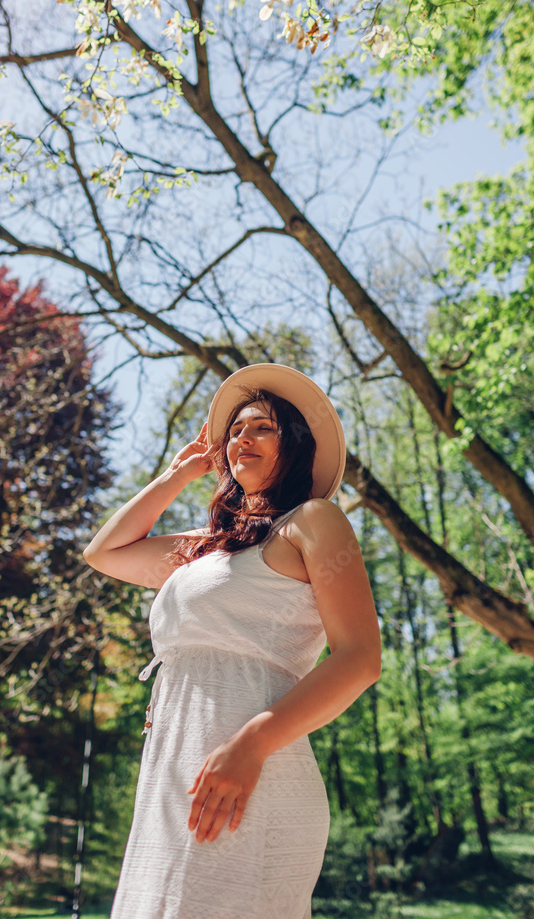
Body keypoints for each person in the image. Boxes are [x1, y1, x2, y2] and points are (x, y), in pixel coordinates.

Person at [83, 363, 382, 919]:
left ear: (295, 446)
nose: (243, 437)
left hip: (256, 772)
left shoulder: (312, 522)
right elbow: (104, 554)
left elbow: (361, 658)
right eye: (236, 430)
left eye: (263, 427)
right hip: (172, 775)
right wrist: (176, 477)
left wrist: (251, 746)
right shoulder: (204, 551)